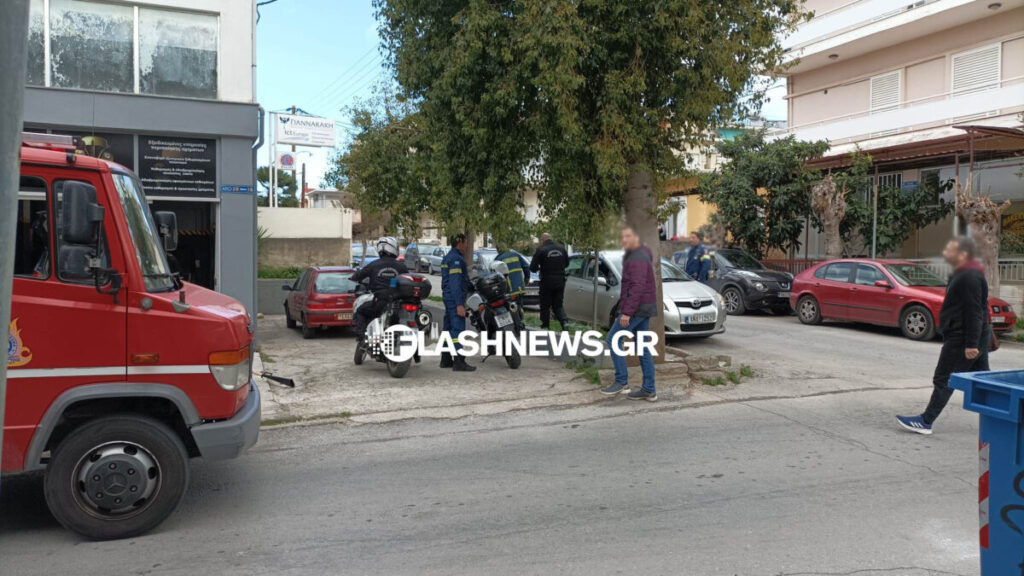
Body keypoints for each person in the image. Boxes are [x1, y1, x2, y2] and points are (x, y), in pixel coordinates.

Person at [897, 236, 991, 435]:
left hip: (962, 338)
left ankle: (926, 421)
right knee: (983, 380)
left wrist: (971, 344)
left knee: (944, 378)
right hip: (967, 335)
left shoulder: (969, 277)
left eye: (950, 250)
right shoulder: (962, 273)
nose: (945, 252)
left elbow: (974, 311)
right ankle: (1004, 421)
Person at [600, 226, 658, 401]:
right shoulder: (639, 254)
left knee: (613, 339)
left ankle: (621, 381)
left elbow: (636, 287)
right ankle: (649, 389)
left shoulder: (638, 256)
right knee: (643, 348)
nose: (624, 240)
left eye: (628, 236)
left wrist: (626, 313)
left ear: (636, 238)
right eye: (622, 237)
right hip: (643, 308)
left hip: (637, 309)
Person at [351, 236, 408, 342]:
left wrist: (354, 276)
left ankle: (363, 339)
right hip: (397, 303)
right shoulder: (401, 267)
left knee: (360, 311)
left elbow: (357, 276)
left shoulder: (374, 264)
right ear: (393, 248)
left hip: (379, 301)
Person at [440, 233, 476, 372]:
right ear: (460, 243)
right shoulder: (456, 259)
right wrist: (460, 304)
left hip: (448, 298)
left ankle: (445, 359)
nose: (467, 246)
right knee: (457, 330)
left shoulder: (448, 257)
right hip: (454, 299)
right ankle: (459, 361)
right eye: (466, 243)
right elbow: (455, 283)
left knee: (448, 329)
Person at [529, 232, 570, 330]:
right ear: (550, 238)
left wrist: (540, 268)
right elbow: (567, 264)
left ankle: (545, 326)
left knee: (545, 305)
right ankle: (564, 322)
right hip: (560, 281)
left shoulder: (541, 250)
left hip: (546, 282)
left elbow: (532, 267)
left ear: (542, 240)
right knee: (558, 305)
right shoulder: (561, 248)